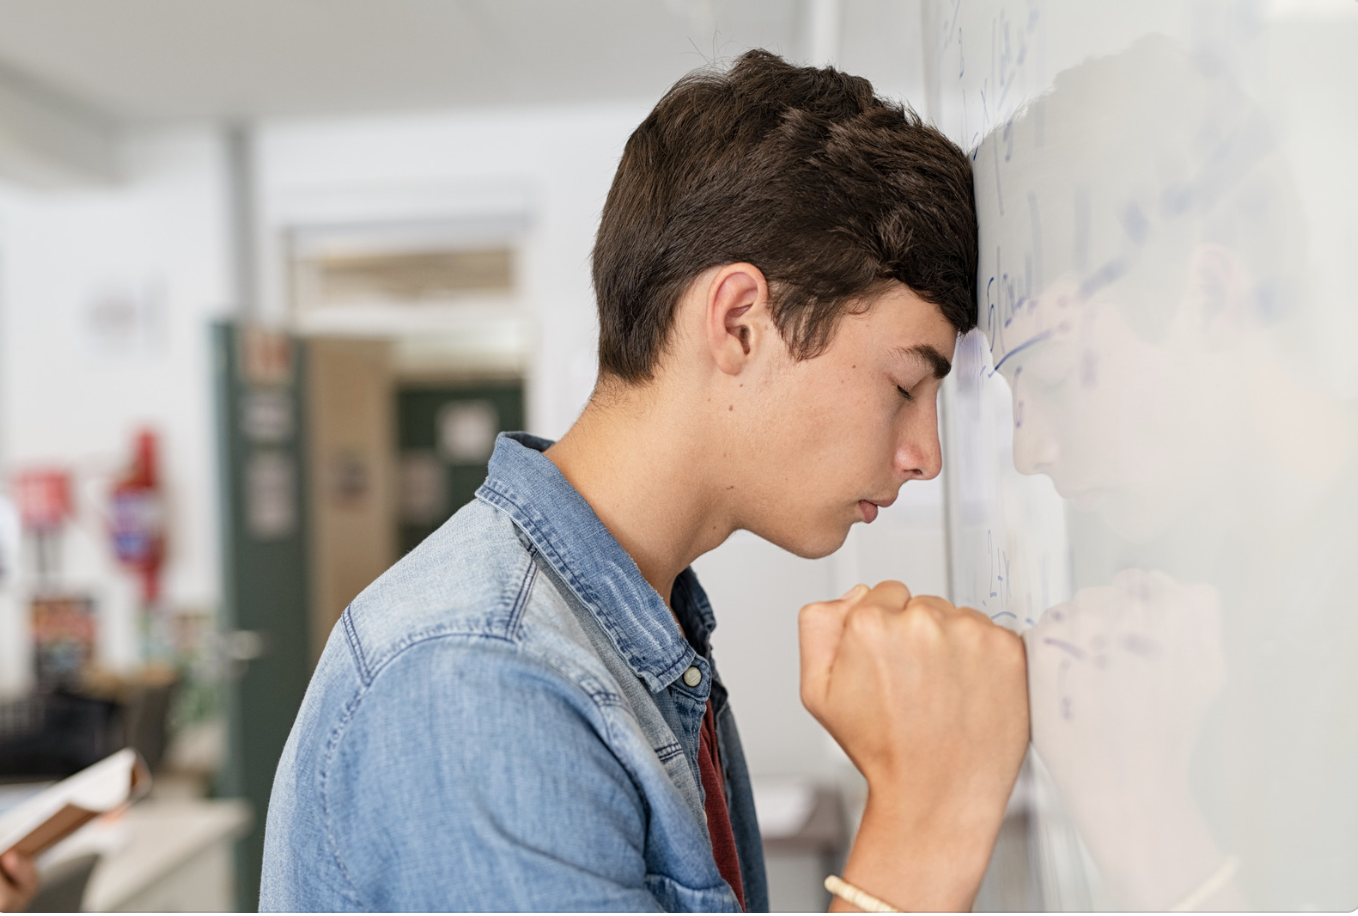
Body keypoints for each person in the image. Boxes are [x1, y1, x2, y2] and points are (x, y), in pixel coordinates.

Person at [261, 49, 1029, 912]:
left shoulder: (640, 629)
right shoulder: (481, 679)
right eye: (903, 384)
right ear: (739, 322)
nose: (925, 454)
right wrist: (923, 826)